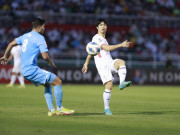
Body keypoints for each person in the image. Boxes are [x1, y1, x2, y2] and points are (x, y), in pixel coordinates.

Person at [0, 18, 74, 116]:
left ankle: (52, 111)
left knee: (47, 84)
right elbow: (45, 56)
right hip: (31, 69)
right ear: (39, 27)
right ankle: (60, 109)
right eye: (44, 26)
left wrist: (5, 56)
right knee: (58, 81)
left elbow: (10, 44)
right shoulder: (39, 37)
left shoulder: (25, 36)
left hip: (24, 70)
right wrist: (50, 62)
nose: (44, 28)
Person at [82, 18, 132, 115]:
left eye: (104, 24)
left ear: (107, 27)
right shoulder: (97, 38)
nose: (103, 26)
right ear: (97, 27)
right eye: (100, 25)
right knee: (109, 85)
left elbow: (91, 52)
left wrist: (86, 63)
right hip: (102, 65)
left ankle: (122, 83)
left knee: (121, 62)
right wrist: (121, 45)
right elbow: (106, 48)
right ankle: (106, 109)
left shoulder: (104, 39)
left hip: (109, 62)